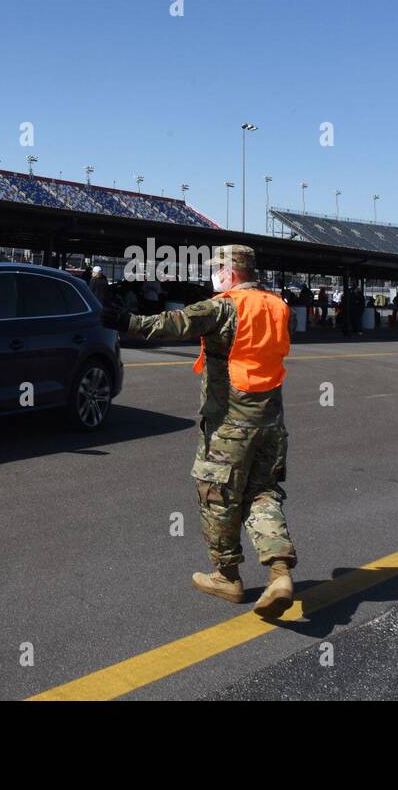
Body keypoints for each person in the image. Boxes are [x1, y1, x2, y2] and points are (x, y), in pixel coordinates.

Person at [101, 244, 297, 618]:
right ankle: (279, 571)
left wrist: (125, 320)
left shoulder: (223, 306)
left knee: (218, 496)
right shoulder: (277, 306)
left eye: (216, 268)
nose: (213, 275)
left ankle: (226, 576)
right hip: (271, 423)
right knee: (263, 494)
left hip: (229, 426)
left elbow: (175, 323)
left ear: (230, 272)